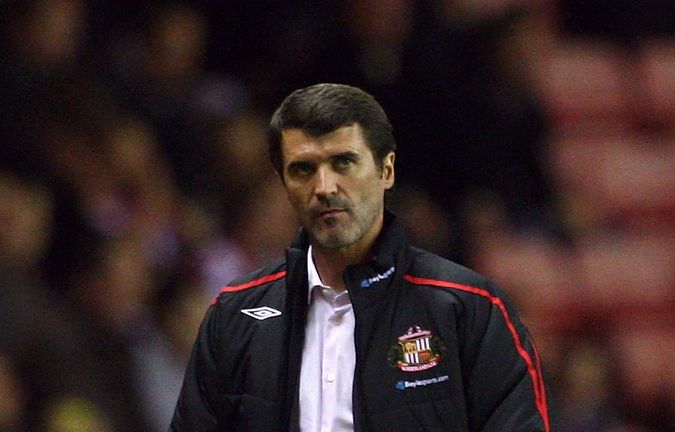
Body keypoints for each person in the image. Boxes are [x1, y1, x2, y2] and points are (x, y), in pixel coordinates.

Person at [169, 83, 550, 432]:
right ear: (284, 183)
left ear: (386, 170)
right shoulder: (235, 314)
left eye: (343, 163)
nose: (324, 187)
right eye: (303, 169)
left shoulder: (469, 308)